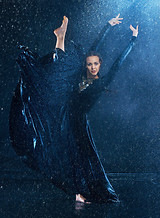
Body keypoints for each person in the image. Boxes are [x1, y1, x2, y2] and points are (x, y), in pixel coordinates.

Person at [9, 15, 138, 203]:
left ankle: (79, 192)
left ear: (100, 65)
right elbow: (95, 45)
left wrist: (133, 40)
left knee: (78, 158)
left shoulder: (101, 83)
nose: (93, 67)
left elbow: (118, 63)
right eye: (90, 64)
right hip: (62, 112)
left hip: (77, 124)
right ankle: (60, 37)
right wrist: (107, 26)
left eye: (96, 64)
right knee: (62, 70)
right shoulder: (80, 74)